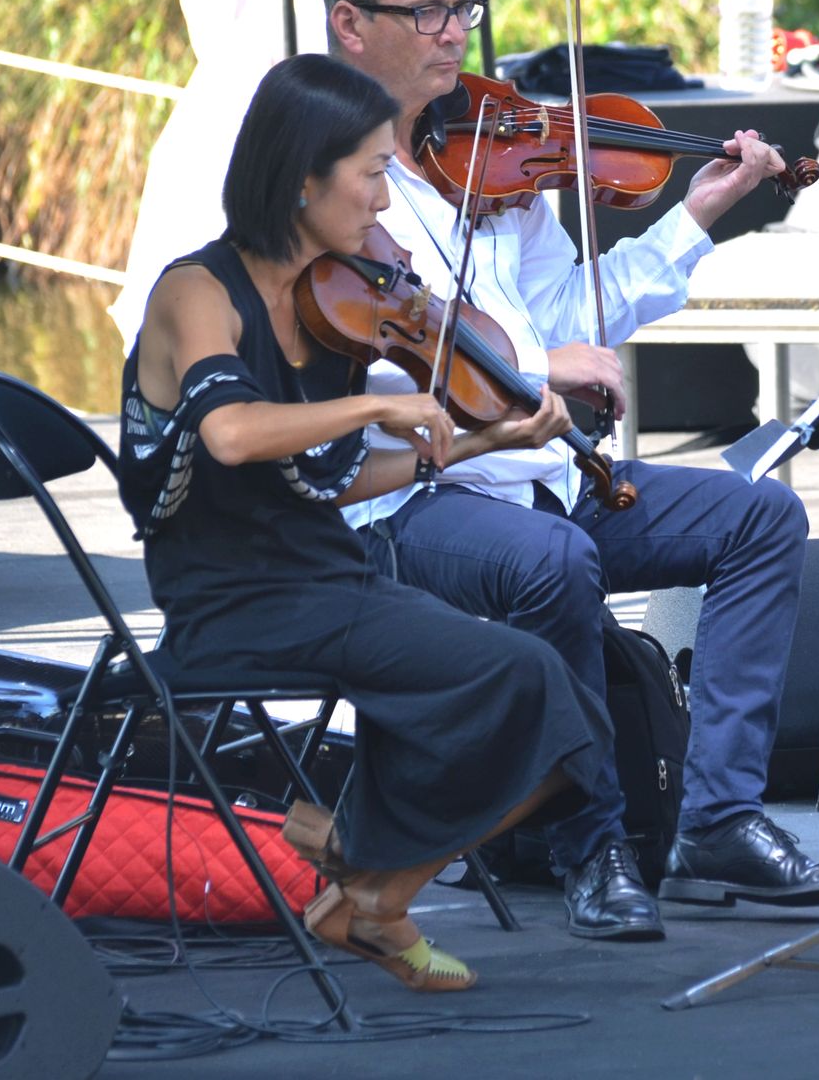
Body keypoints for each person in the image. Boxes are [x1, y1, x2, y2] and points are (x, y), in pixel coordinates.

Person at [324, 0, 819, 942]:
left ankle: (718, 821)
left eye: (462, 8)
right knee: (550, 562)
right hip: (413, 492)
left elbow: (571, 316)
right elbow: (362, 338)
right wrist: (533, 369)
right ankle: (590, 839)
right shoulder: (319, 169)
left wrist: (699, 213)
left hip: (546, 478)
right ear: (352, 24)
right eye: (426, 11)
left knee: (759, 520)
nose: (453, 33)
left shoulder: (493, 158)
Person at [119, 53, 614, 991]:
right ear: (304, 179)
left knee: (560, 708)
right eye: (374, 172)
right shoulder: (195, 293)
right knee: (525, 679)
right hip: (230, 599)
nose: (386, 203)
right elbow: (230, 436)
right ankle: (364, 874)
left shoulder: (333, 305)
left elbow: (330, 481)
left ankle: (373, 889)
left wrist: (481, 440)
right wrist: (371, 406)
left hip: (327, 576)